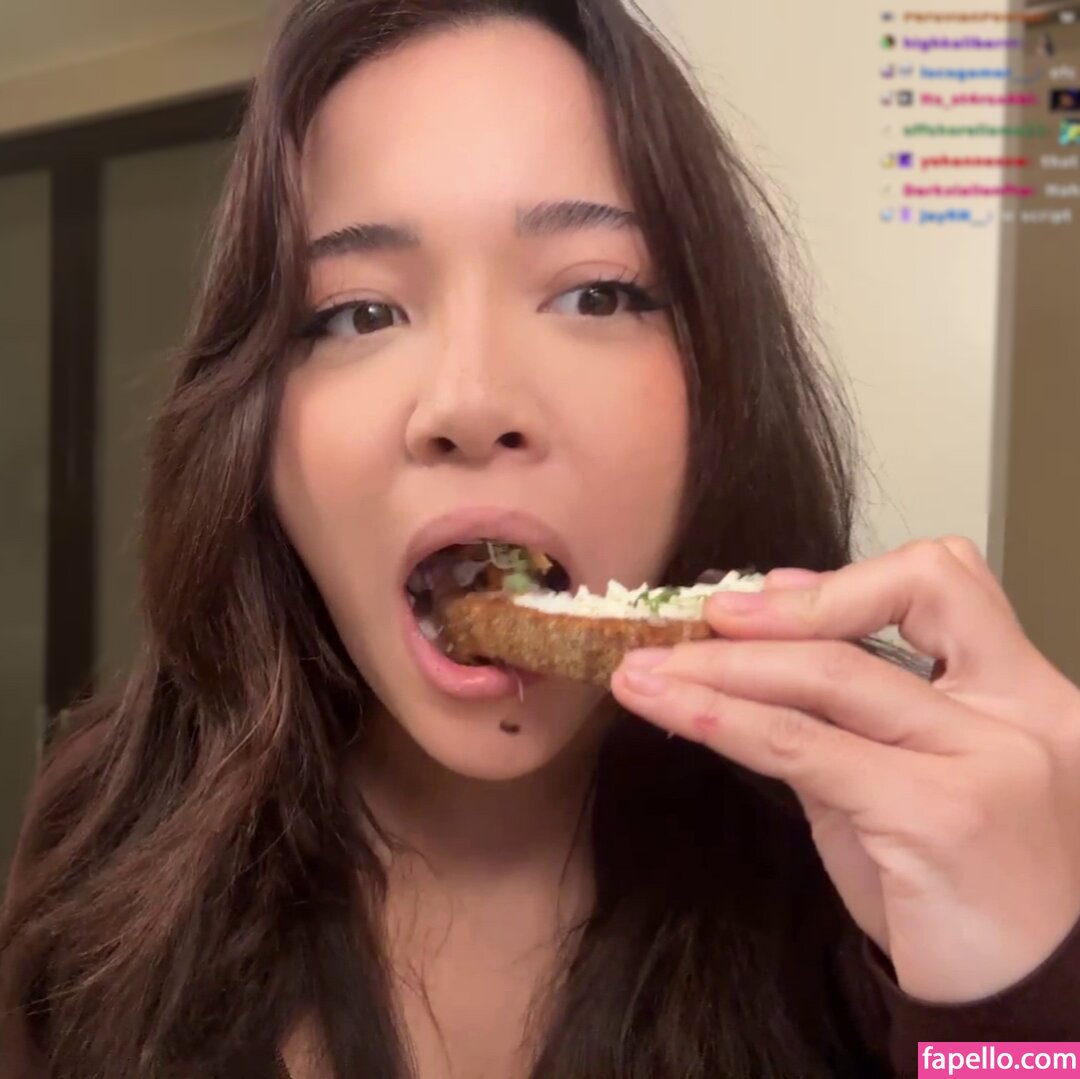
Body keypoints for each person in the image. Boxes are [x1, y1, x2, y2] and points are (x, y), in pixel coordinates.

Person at [2, 1, 1079, 1076]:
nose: (470, 402)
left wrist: (1015, 1001)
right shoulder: (113, 821)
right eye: (357, 313)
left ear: (719, 387)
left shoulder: (881, 859)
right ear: (255, 419)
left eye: (597, 294)